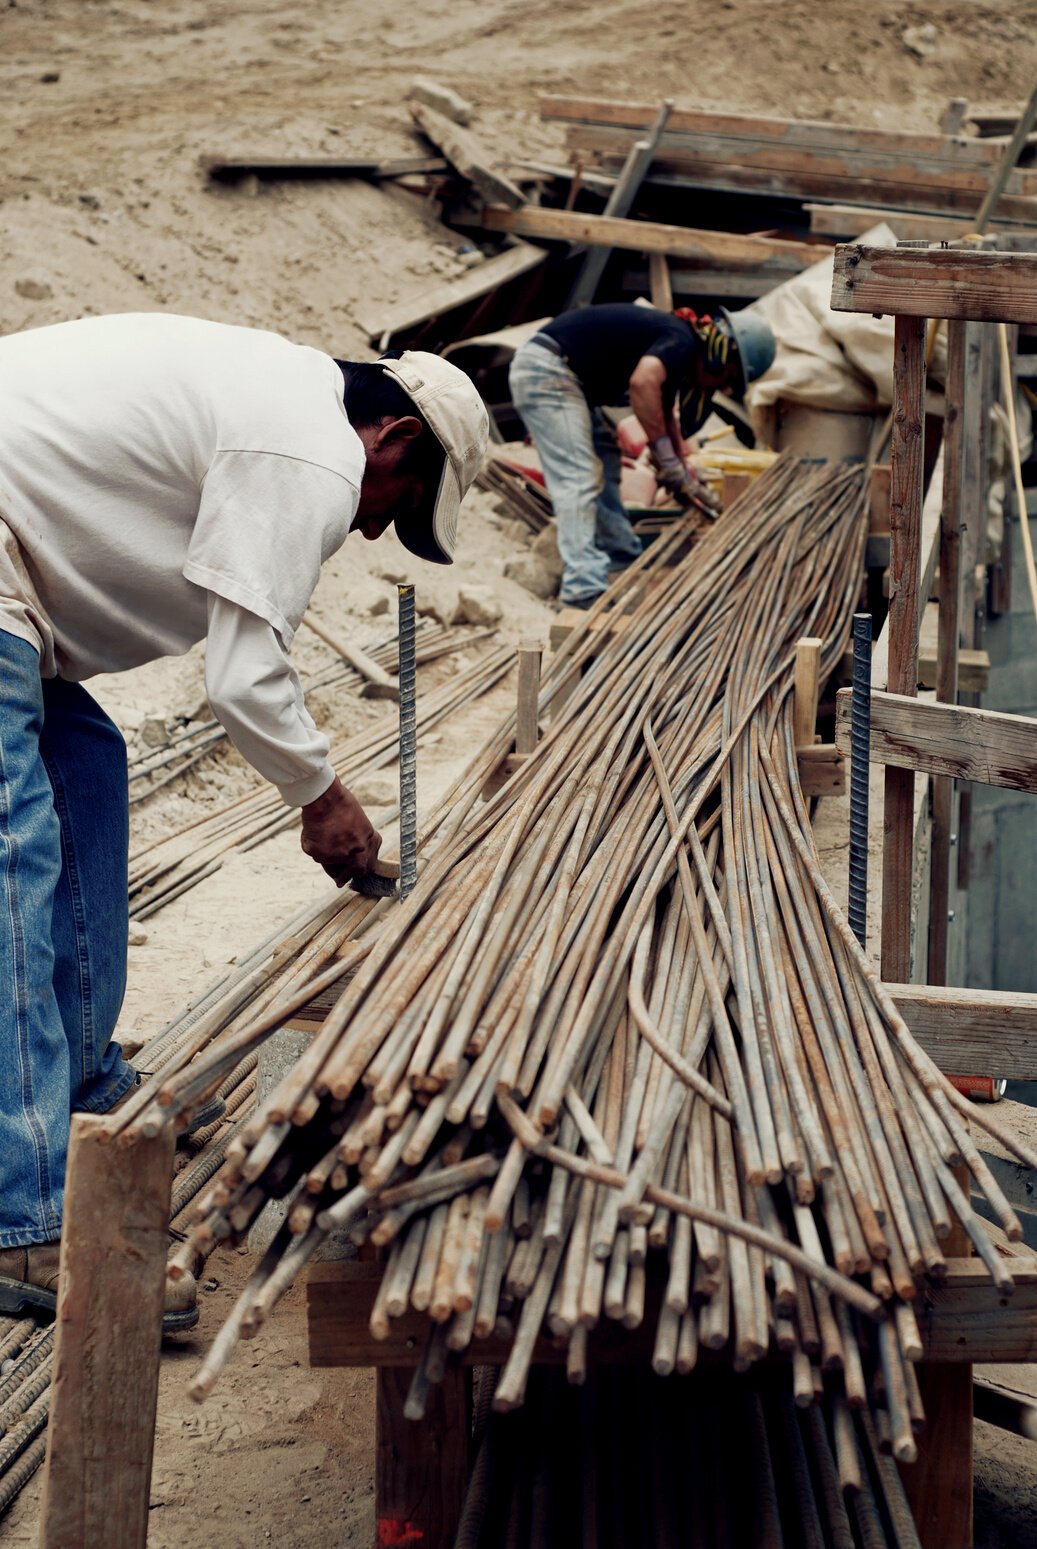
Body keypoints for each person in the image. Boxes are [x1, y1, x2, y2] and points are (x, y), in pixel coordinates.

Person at [0, 312, 488, 1329]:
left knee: (85, 765)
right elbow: (244, 675)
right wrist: (321, 797)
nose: (371, 532)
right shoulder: (309, 446)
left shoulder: (282, 400)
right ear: (394, 436)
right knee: (13, 858)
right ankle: (26, 1215)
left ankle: (78, 1089)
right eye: (397, 505)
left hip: (18, 579)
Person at [508, 302, 776, 607]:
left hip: (563, 375)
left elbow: (664, 414)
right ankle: (583, 588)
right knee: (578, 476)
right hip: (547, 369)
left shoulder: (679, 351)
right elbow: (642, 384)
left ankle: (619, 555)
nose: (724, 389)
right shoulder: (682, 340)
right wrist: (667, 457)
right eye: (728, 380)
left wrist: (681, 471)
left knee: (605, 457)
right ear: (722, 357)